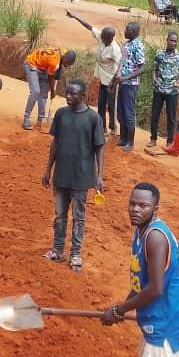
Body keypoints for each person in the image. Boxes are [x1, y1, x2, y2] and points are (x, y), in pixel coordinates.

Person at [101, 182, 179, 357]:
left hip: (170, 319)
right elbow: (140, 283)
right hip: (162, 314)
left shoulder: (155, 238)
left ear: (155, 209)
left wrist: (120, 309)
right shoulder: (141, 232)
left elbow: (155, 289)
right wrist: (120, 308)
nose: (135, 209)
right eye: (132, 203)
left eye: (143, 205)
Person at [40, 80, 104, 271]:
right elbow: (55, 143)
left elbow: (99, 148)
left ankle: (75, 254)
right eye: (67, 93)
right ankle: (58, 250)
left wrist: (100, 175)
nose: (68, 96)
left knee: (79, 216)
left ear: (82, 96)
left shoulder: (93, 118)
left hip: (81, 178)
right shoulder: (61, 114)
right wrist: (48, 169)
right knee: (60, 215)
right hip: (61, 175)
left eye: (73, 94)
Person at [66, 10, 120, 136]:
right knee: (101, 103)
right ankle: (102, 127)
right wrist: (75, 16)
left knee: (111, 105)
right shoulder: (101, 36)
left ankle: (113, 128)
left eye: (106, 38)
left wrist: (114, 81)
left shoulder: (115, 49)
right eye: (103, 37)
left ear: (111, 38)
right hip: (102, 76)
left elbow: (119, 66)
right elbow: (89, 26)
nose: (102, 39)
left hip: (111, 79)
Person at [21, 45, 76, 130]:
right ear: (65, 58)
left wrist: (60, 67)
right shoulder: (54, 62)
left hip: (43, 67)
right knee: (35, 91)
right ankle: (26, 118)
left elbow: (58, 60)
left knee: (44, 94)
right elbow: (50, 78)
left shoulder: (63, 51)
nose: (67, 65)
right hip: (31, 64)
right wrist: (53, 91)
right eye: (68, 63)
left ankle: (41, 119)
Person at [148, 31, 179, 150]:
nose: (173, 43)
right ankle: (153, 138)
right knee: (155, 114)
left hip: (172, 92)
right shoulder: (159, 53)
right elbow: (154, 69)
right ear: (167, 40)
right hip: (159, 89)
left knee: (171, 117)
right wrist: (155, 80)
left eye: (175, 41)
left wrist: (178, 82)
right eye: (171, 40)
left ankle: (170, 141)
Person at [113, 21, 146, 151]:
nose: (125, 32)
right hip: (122, 82)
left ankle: (130, 142)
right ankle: (123, 138)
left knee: (129, 113)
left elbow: (143, 68)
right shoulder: (127, 44)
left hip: (130, 85)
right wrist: (116, 77)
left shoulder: (137, 46)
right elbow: (122, 62)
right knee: (120, 112)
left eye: (127, 30)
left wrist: (126, 77)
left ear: (134, 32)